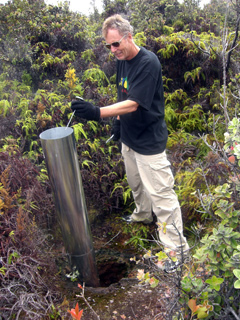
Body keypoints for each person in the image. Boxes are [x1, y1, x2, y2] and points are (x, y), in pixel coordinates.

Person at [71, 14, 189, 272]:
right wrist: (118, 125)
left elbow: (134, 102)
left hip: (149, 141)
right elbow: (122, 93)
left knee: (162, 196)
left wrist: (97, 112)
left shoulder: (148, 63)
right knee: (136, 185)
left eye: (116, 44)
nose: (113, 50)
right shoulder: (122, 60)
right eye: (108, 46)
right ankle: (142, 215)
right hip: (130, 137)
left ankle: (177, 250)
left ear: (129, 37)